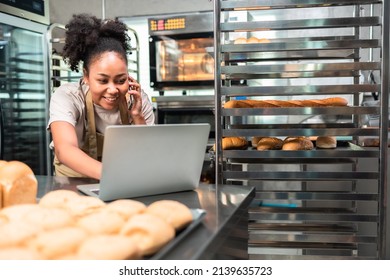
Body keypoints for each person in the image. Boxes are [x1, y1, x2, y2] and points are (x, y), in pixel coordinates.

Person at [47, 14, 155, 180]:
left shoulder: (137, 100)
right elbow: (65, 150)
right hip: (72, 187)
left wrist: (137, 117)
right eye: (103, 80)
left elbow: (149, 155)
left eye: (121, 80)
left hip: (123, 185)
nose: (112, 90)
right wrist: (113, 176)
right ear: (86, 76)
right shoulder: (68, 97)